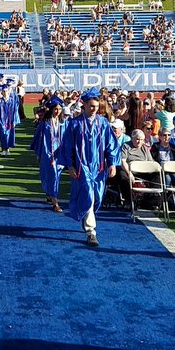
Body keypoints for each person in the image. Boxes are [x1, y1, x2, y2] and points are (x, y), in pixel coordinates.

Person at [57, 90, 116, 247]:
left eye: (96, 106)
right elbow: (67, 146)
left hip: (99, 167)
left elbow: (110, 145)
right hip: (82, 166)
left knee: (96, 196)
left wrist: (112, 163)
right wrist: (69, 165)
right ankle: (92, 232)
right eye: (91, 106)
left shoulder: (103, 123)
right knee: (88, 194)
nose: (94, 109)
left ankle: (86, 217)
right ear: (84, 106)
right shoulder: (75, 124)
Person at [31, 96, 66, 213]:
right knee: (49, 175)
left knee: (56, 176)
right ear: (51, 109)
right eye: (55, 109)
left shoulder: (63, 123)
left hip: (59, 154)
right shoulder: (45, 123)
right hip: (47, 152)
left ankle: (52, 196)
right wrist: (38, 153)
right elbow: (38, 138)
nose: (57, 111)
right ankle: (54, 200)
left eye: (59, 109)